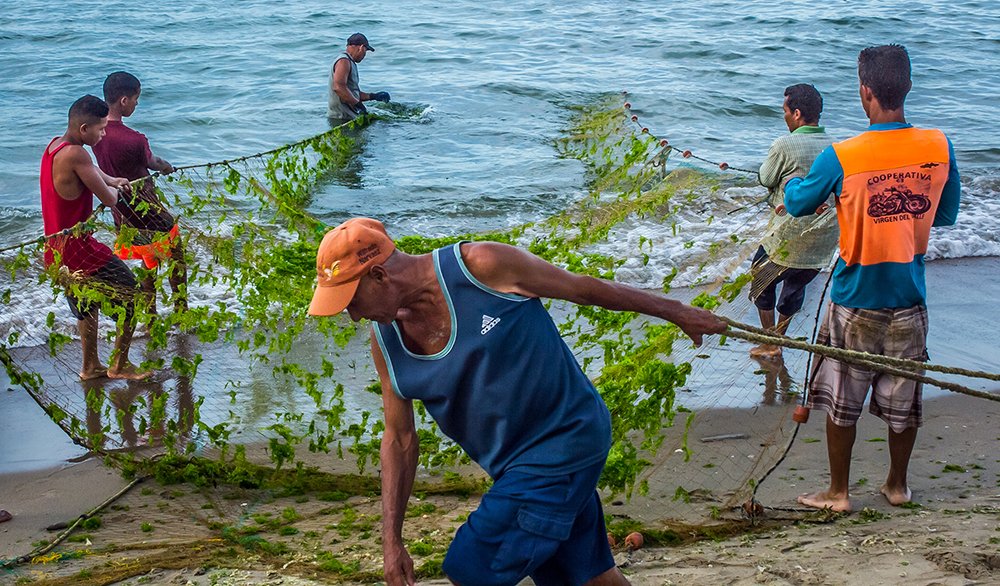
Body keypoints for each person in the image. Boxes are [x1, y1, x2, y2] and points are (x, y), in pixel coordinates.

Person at [307, 218, 726, 586]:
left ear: (378, 275)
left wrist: (676, 311)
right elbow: (399, 439)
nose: (354, 317)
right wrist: (391, 543)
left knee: (471, 567)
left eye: (351, 302)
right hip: (514, 471)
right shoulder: (386, 340)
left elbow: (582, 289)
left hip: (569, 435)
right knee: (585, 575)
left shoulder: (480, 267)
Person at [784, 44, 961, 512]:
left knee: (843, 399)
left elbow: (800, 203)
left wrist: (793, 185)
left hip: (855, 295)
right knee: (904, 400)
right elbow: (944, 214)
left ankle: (838, 492)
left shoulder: (842, 155)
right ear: (906, 87)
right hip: (910, 295)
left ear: (865, 92)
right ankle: (897, 487)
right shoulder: (939, 146)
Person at [41, 95, 150, 381]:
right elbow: (110, 199)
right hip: (79, 249)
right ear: (84, 129)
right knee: (131, 294)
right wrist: (115, 189)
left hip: (56, 249)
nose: (103, 134)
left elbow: (93, 174)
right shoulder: (79, 154)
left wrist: (111, 178)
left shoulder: (56, 146)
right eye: (100, 129)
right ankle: (119, 365)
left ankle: (90, 367)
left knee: (86, 306)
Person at [750, 84, 839, 358]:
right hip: (823, 239)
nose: (785, 117)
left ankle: (770, 342)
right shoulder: (836, 147)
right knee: (796, 285)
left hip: (788, 234)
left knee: (760, 278)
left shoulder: (783, 144)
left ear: (797, 114)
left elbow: (766, 178)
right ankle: (779, 339)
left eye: (786, 111)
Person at [93, 71, 187, 315]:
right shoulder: (135, 139)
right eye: (136, 98)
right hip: (148, 210)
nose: (137, 103)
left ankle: (150, 314)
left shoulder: (96, 136)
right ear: (124, 100)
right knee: (176, 253)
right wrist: (168, 167)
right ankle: (181, 310)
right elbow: (154, 162)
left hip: (122, 213)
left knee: (148, 260)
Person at [327, 33, 391, 121]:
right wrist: (358, 105)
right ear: (361, 47)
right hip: (341, 118)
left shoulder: (349, 61)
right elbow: (338, 88)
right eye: (365, 51)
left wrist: (373, 96)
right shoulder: (343, 61)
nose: (365, 55)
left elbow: (352, 93)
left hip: (347, 117)